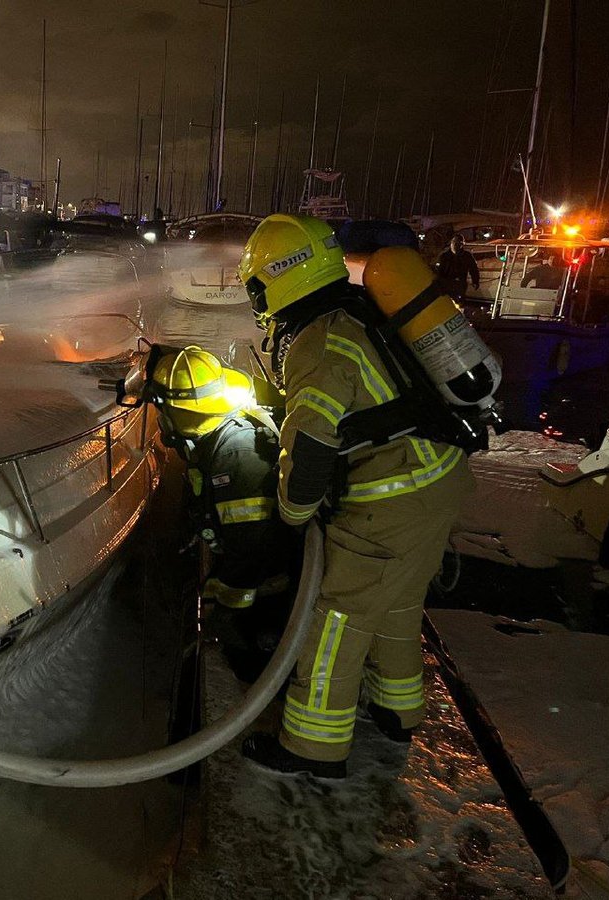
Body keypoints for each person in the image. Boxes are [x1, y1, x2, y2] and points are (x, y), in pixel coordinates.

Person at [236, 213, 474, 779]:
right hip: (437, 480)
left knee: (336, 619)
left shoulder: (317, 339)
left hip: (390, 500)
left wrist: (294, 513)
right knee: (395, 603)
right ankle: (399, 711)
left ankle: (312, 748)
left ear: (275, 278)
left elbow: (311, 441)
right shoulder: (356, 310)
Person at [147, 346, 290, 615]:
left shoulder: (236, 458)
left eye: (161, 408)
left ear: (180, 413)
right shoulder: (214, 439)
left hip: (261, 597)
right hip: (245, 567)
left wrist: (222, 607)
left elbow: (250, 550)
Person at [435, 235, 480, 301]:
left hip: (460, 284)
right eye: (453, 242)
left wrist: (475, 281)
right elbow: (439, 271)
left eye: (458, 243)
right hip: (446, 283)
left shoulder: (467, 256)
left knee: (459, 302)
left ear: (461, 244)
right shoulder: (444, 256)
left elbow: (473, 269)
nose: (455, 245)